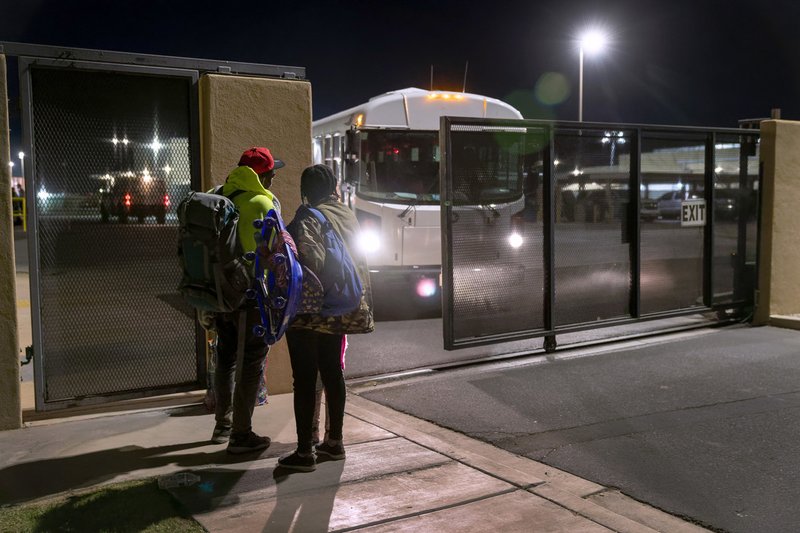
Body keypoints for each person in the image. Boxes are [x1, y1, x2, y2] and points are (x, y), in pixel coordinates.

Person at [278, 164, 374, 472]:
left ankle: (305, 451)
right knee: (332, 371)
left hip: (314, 312)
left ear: (305, 190)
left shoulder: (309, 217)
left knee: (305, 378)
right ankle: (335, 443)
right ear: (333, 187)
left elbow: (313, 260)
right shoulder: (346, 214)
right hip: (344, 305)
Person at [210, 146, 284, 454]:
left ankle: (223, 424)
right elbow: (278, 251)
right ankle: (241, 436)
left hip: (219, 292)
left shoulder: (218, 196)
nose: (272, 181)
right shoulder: (263, 202)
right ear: (263, 176)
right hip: (251, 293)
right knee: (251, 361)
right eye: (272, 175)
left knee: (225, 357)